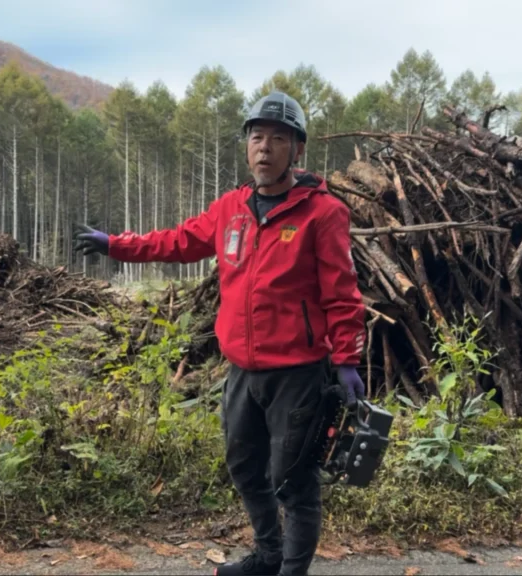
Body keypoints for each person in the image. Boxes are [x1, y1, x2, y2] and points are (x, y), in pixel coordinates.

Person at [74, 91, 366, 576]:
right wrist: (116, 246)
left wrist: (347, 359)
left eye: (278, 139)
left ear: (297, 149)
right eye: (257, 137)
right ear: (246, 146)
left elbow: (343, 292)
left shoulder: (323, 213)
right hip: (242, 372)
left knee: (293, 481)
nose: (265, 148)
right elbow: (177, 241)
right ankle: (268, 557)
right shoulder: (231, 208)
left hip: (297, 373)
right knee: (245, 468)